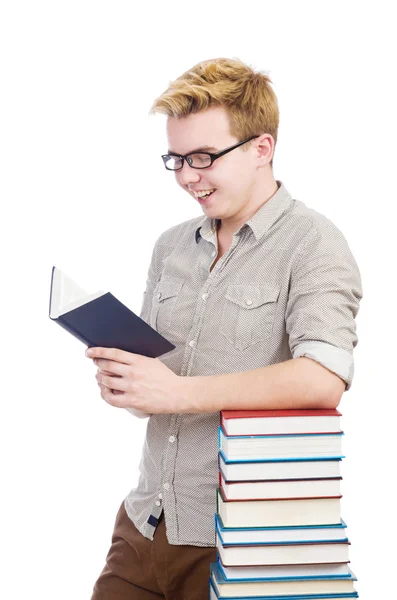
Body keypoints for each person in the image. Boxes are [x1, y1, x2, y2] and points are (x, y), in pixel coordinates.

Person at [87, 57, 363, 599]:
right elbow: (157, 393)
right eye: (176, 158)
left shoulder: (315, 244)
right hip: (145, 523)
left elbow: (324, 375)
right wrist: (130, 384)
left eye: (204, 157)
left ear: (262, 148)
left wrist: (179, 393)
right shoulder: (171, 246)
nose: (188, 175)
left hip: (242, 539)